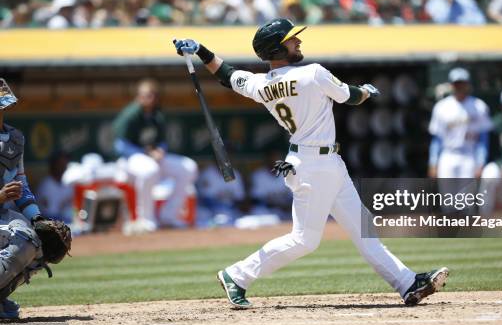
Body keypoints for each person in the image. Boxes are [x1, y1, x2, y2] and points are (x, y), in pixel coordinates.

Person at [174, 18, 449, 308]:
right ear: (277, 48)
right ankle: (237, 275)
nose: (298, 42)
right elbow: (351, 97)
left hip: (320, 162)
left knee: (362, 227)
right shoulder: (313, 73)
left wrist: (202, 51)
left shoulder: (259, 84)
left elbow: (227, 75)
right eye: (292, 40)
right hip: (313, 165)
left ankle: (408, 284)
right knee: (304, 239)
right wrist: (367, 90)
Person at [0, 78, 71, 319]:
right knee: (23, 239)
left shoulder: (15, 139)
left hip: (3, 217)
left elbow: (22, 185)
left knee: (42, 242)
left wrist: (36, 218)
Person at [112, 79, 197, 231]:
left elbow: (162, 141)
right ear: (138, 96)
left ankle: (168, 216)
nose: (148, 98)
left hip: (152, 158)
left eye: (151, 95)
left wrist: (161, 150)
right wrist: (146, 153)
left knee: (188, 168)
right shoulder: (131, 114)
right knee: (149, 169)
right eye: (144, 95)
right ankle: (145, 219)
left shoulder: (157, 115)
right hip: (130, 161)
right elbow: (120, 146)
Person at [428, 68, 492, 180]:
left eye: (462, 83)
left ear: (467, 85)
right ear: (451, 85)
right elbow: (437, 139)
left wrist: (480, 162)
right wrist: (433, 162)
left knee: (466, 196)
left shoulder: (479, 106)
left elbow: (483, 139)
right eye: (456, 83)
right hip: (448, 154)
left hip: (469, 155)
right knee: (447, 196)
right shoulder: (441, 107)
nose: (459, 87)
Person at [35, 151, 73, 223]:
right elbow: (50, 213)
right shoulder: (46, 185)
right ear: (53, 165)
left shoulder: (67, 184)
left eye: (65, 164)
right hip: (48, 222)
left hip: (64, 221)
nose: (63, 167)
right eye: (60, 164)